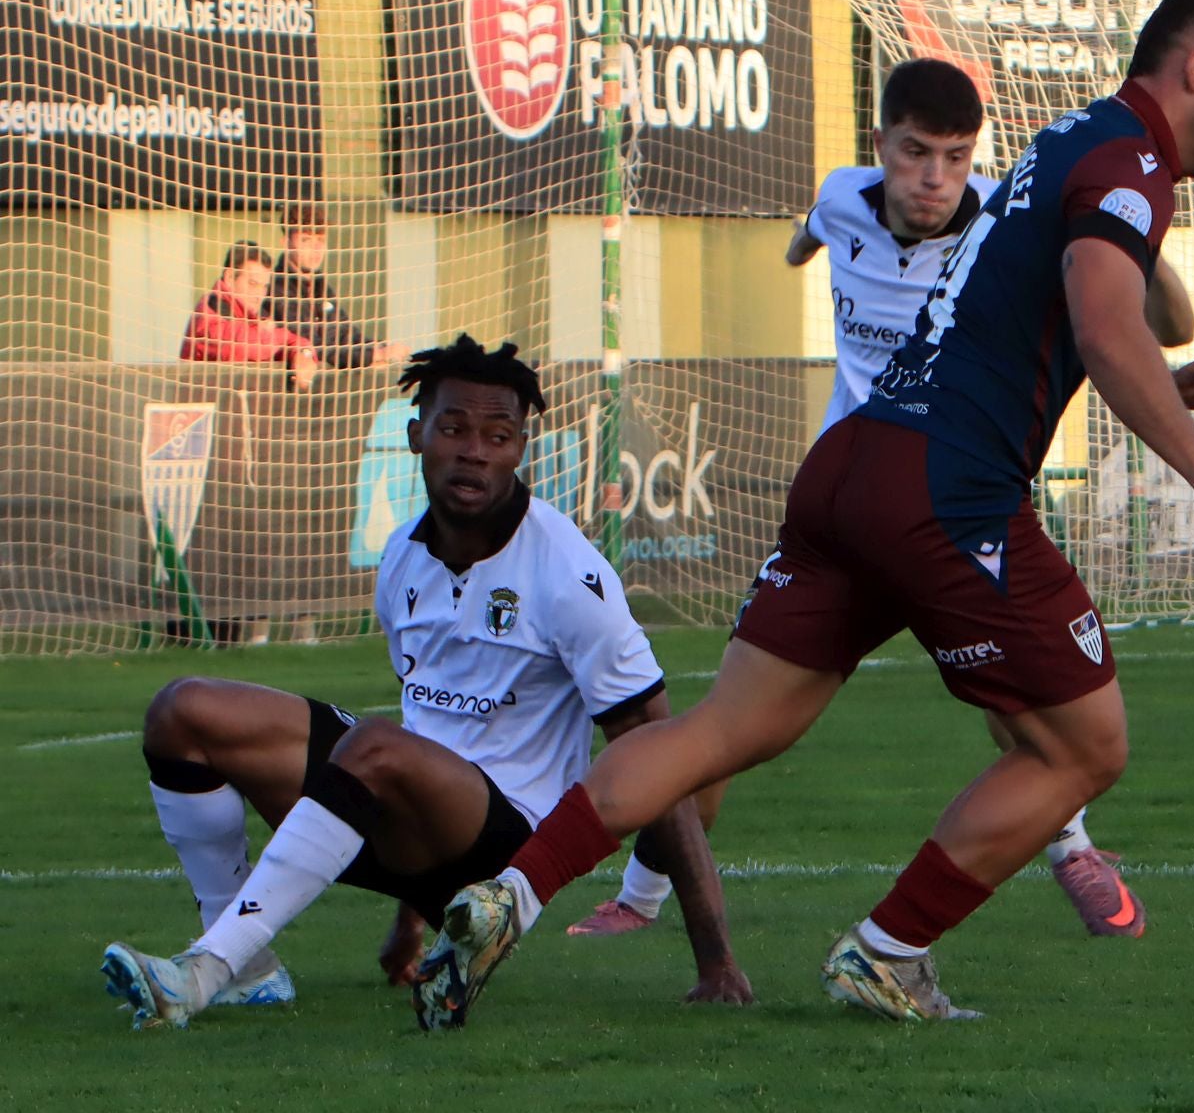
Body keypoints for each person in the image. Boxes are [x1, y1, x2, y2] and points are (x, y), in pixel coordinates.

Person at [410, 0, 1194, 1030]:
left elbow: (1041, 326)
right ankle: (888, 951)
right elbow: (1105, 324)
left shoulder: (1072, 137)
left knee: (725, 725)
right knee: (1084, 747)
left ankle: (507, 891)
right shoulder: (1130, 161)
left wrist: (1166, 382)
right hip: (946, 492)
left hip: (850, 463)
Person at [568, 57, 1194, 944]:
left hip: (958, 491)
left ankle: (1072, 847)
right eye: (914, 155)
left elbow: (1152, 320)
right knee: (734, 718)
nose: (935, 178)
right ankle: (640, 895)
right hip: (849, 498)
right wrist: (801, 247)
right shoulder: (838, 198)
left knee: (1015, 699)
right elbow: (813, 229)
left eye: (955, 156)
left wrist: (1135, 226)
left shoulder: (1010, 221)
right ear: (880, 149)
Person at [99, 335, 752, 1030]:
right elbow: (432, 731)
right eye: (454, 429)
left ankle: (205, 969)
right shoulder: (401, 560)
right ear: (416, 437)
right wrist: (408, 924)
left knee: (376, 744)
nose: (475, 450)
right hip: (408, 825)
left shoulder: (569, 574)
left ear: (520, 450)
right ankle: (249, 971)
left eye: (498, 436)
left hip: (504, 849)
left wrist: (716, 961)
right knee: (183, 711)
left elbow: (660, 756)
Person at [267, 204, 409, 369]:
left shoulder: (321, 286)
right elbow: (315, 349)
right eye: (306, 240)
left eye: (321, 240)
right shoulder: (277, 289)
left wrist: (380, 347)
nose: (316, 248)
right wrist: (373, 355)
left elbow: (346, 334)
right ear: (285, 243)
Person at [181, 241, 321, 392]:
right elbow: (246, 346)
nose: (259, 295)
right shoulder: (209, 312)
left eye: (264, 287)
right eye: (252, 284)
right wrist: (268, 334)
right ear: (229, 277)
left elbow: (292, 340)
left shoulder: (250, 314)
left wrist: (303, 354)